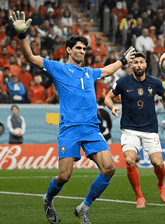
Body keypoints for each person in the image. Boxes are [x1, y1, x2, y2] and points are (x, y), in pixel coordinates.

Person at [11, 11, 137, 224]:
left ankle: (84, 207)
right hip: (69, 128)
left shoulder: (89, 72)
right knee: (64, 176)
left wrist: (123, 60)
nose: (81, 51)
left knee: (109, 168)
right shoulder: (58, 68)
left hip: (91, 128)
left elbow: (106, 70)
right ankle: (48, 199)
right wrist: (22, 36)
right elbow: (30, 58)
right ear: (68, 50)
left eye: (84, 48)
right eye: (78, 48)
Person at [104, 52, 165, 209]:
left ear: (146, 65)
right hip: (129, 129)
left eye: (141, 62)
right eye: (135, 62)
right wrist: (112, 106)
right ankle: (139, 197)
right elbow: (107, 98)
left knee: (157, 162)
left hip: (150, 130)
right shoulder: (122, 82)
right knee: (129, 160)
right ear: (131, 65)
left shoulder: (155, 83)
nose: (139, 65)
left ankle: (161, 185)